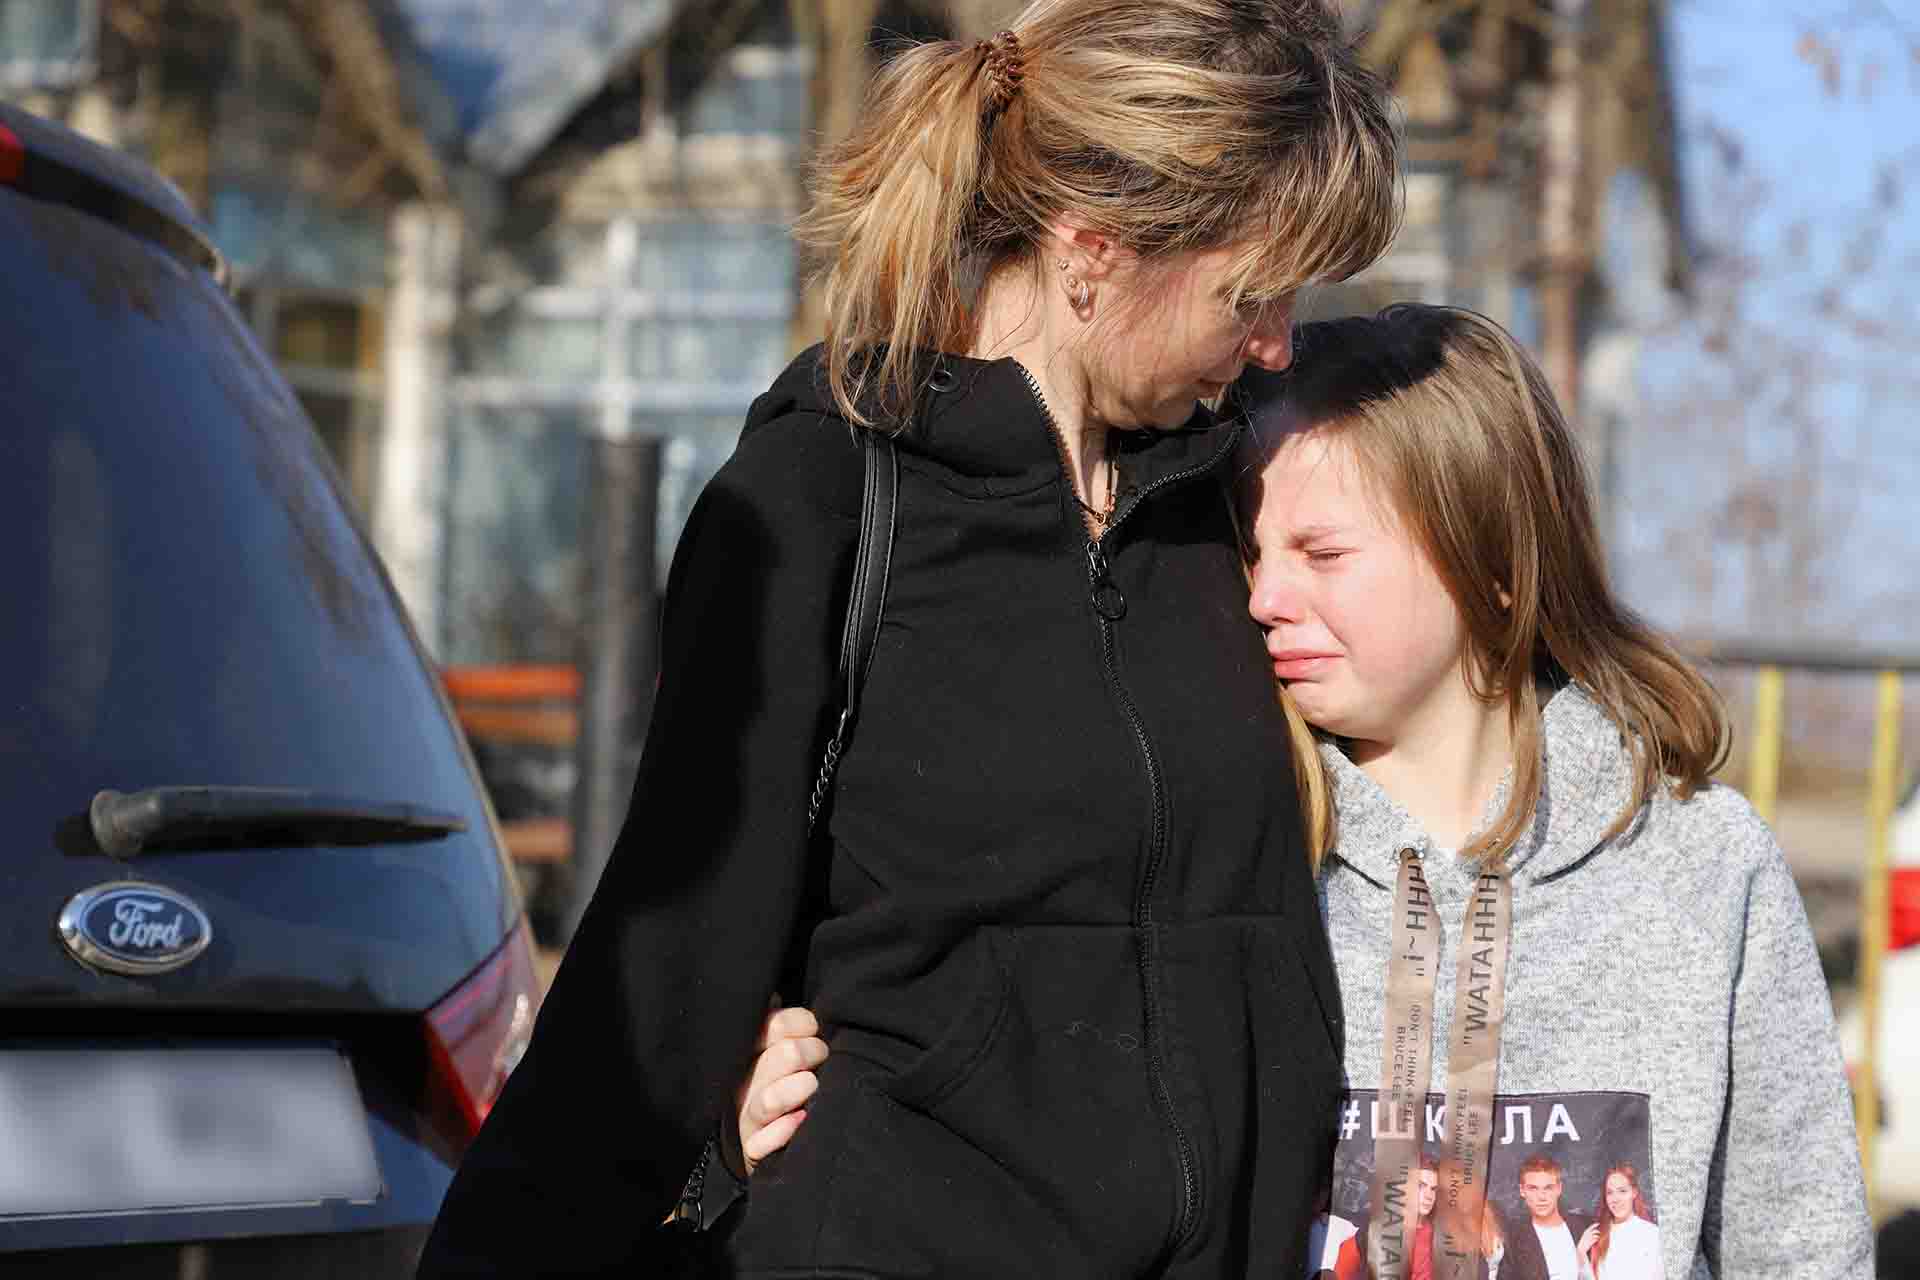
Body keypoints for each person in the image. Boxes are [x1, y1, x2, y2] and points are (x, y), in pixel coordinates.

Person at [416, 1, 1398, 1274]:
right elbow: (664, 968)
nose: (1276, 341)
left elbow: (1457, 669)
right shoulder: (820, 502)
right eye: (1251, 295)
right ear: (1093, 250)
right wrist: (697, 1143)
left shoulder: (1238, 503)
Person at [740, 304, 1875, 1277]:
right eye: (1252, 552)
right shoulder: (1224, 845)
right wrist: (770, 1089)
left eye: (1323, 553)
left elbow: (1802, 1238)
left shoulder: (1700, 865)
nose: (1264, 597)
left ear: (1493, 559)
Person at [1501, 1155, 1594, 1280]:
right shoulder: (1512, 1238)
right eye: (1533, 1188)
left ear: (1559, 1188)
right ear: (1522, 1191)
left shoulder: (1583, 1226)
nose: (1541, 1197)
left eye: (1548, 1188)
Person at [1580, 1164, 1662, 1280]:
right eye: (1610, 1192)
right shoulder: (1599, 1234)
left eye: (1622, 1191)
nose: (1615, 1199)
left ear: (1634, 1192)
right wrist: (1581, 1253)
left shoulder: (1652, 1234)